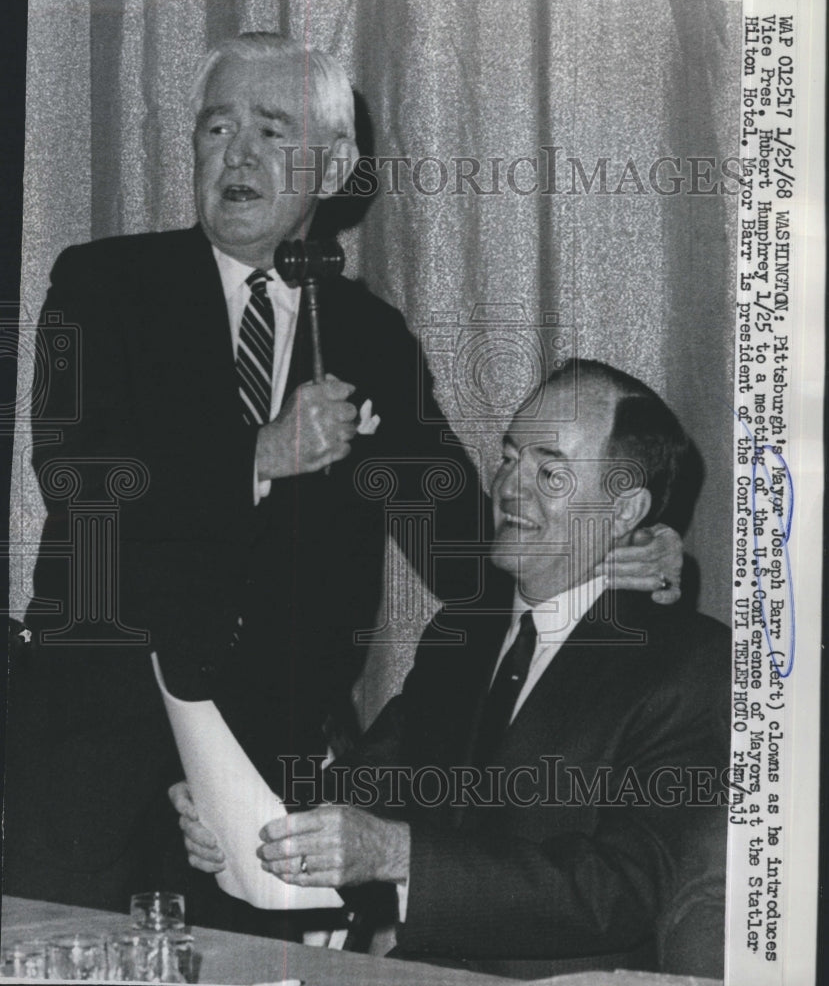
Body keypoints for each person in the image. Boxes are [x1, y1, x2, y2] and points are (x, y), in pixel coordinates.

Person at [4, 31, 681, 928]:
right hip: (92, 745)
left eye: (272, 130)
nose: (236, 154)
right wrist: (260, 456)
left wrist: (611, 548)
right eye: (216, 128)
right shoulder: (100, 283)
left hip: (263, 774)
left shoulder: (367, 334)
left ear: (332, 167)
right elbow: (76, 477)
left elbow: (459, 553)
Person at [174, 358, 730, 977]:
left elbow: (623, 889)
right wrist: (245, 820)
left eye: (550, 471)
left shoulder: (687, 664)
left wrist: (400, 856)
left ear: (624, 512)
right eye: (510, 457)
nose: (509, 488)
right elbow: (368, 787)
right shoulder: (461, 635)